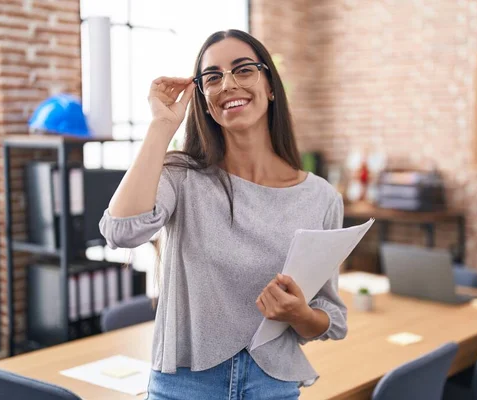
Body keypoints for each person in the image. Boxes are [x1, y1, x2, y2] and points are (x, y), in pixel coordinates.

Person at [99, 29, 347, 400]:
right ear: (204, 97)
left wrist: (299, 314)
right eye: (212, 77)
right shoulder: (181, 176)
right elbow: (120, 231)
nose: (227, 84)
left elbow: (330, 316)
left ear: (271, 86)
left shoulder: (320, 198)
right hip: (183, 386)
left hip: (272, 386)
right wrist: (162, 126)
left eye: (243, 70)